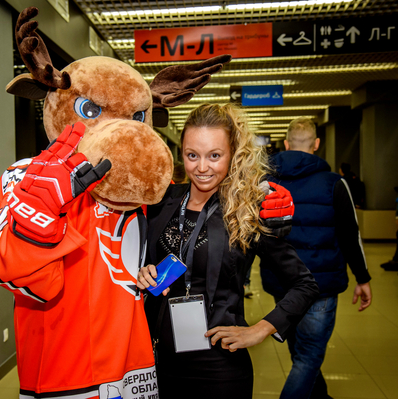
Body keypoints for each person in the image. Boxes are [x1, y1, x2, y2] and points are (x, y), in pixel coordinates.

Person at [136, 104, 319, 398]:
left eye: (215, 156)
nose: (202, 167)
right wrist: (144, 271)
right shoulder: (162, 202)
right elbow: (142, 260)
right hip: (158, 359)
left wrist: (261, 329)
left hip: (219, 365)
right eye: (192, 155)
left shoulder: (247, 211)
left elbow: (304, 284)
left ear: (233, 154)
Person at [261, 117, 372, 399]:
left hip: (282, 283)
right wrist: (363, 278)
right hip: (320, 287)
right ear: (317, 144)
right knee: (308, 357)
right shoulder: (334, 184)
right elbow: (350, 234)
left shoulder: (266, 184)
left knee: (300, 352)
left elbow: (254, 235)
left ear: (286, 144)